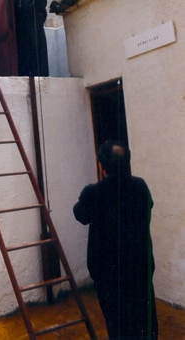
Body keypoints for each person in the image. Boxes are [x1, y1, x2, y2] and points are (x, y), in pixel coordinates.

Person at [73, 140, 158, 339]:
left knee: (119, 325)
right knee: (145, 321)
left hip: (109, 274)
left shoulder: (93, 193)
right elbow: (148, 207)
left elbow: (80, 214)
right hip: (140, 267)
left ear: (101, 166)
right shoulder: (139, 186)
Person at [12, 0, 49, 77]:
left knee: (38, 51)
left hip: (33, 20)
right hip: (25, 24)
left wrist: (33, 15)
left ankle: (41, 76)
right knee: (29, 53)